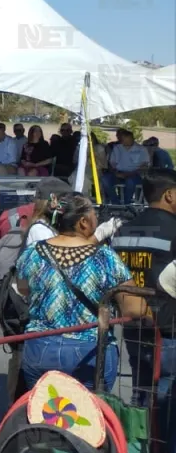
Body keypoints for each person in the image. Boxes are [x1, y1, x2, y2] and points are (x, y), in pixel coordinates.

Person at [14, 192, 145, 391]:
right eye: (94, 215)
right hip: (90, 351)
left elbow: (23, 290)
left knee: (46, 413)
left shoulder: (31, 253)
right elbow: (134, 309)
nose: (97, 219)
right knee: (88, 415)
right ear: (83, 222)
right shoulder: (105, 257)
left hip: (40, 348)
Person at [111, 171, 176, 449]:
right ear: (170, 194)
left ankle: (139, 442)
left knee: (141, 391)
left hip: (134, 326)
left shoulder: (124, 231)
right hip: (169, 331)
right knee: (167, 398)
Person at [106, 129, 151, 204]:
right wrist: (116, 172)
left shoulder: (141, 149)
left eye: (127, 140)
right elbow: (112, 163)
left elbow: (145, 166)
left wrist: (130, 173)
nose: (125, 142)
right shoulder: (117, 148)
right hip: (119, 173)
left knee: (130, 181)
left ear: (132, 139)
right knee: (105, 179)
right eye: (123, 140)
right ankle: (116, 203)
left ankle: (127, 204)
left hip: (135, 174)